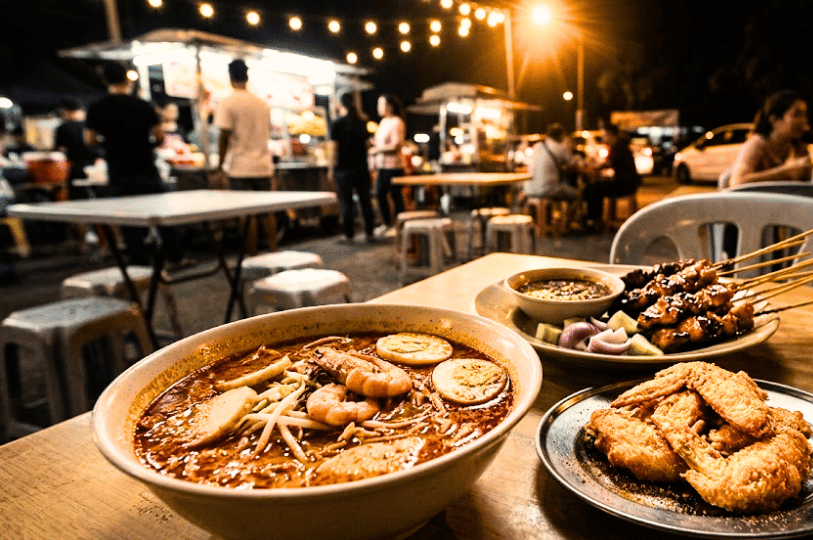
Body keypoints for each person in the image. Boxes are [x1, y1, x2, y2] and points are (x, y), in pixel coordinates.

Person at [85, 62, 186, 266]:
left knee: (127, 215)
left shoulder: (97, 107)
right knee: (159, 212)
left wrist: (109, 141)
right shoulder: (143, 105)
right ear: (127, 79)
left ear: (106, 81)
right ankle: (176, 256)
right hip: (145, 165)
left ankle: (139, 259)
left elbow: (89, 140)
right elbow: (159, 136)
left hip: (117, 167)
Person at [212, 58, 276, 254]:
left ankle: (252, 255)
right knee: (267, 212)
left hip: (240, 167)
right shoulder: (262, 104)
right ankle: (274, 252)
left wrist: (220, 165)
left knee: (247, 214)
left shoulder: (227, 102)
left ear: (230, 77)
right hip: (263, 165)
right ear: (247, 77)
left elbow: (224, 136)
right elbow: (268, 132)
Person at [728, 89, 812, 187]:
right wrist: (785, 171)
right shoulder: (757, 144)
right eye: (796, 114)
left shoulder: (799, 149)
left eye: (804, 115)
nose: (804, 120)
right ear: (774, 120)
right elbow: (737, 181)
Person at [328, 92, 376, 244]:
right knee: (365, 201)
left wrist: (330, 169)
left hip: (343, 169)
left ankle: (349, 236)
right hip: (361, 167)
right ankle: (370, 233)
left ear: (340, 104)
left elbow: (333, 150)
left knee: (346, 202)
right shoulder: (361, 122)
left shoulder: (337, 123)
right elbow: (368, 145)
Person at [522, 123, 582, 231]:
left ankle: (545, 223)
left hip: (528, 189)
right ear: (561, 136)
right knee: (578, 194)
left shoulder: (538, 146)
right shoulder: (560, 148)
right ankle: (567, 226)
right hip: (547, 189)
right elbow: (575, 165)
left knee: (558, 187)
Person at [582, 124, 641, 229]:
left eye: (604, 135)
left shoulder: (618, 146)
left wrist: (593, 168)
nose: (603, 138)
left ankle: (594, 221)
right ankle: (595, 219)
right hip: (628, 182)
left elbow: (608, 164)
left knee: (594, 188)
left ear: (610, 135)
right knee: (595, 187)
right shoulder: (620, 145)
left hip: (625, 185)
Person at [370, 93, 407, 235]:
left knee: (394, 195)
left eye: (381, 104)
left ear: (389, 107)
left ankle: (399, 225)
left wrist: (377, 150)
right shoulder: (383, 122)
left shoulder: (397, 122)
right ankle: (388, 223)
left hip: (394, 166)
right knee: (380, 194)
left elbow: (396, 146)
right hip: (382, 165)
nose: (378, 107)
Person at [54, 97, 99, 200]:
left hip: (76, 166)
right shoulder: (90, 124)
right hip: (97, 165)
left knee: (78, 196)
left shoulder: (63, 127)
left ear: (65, 111)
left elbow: (59, 150)